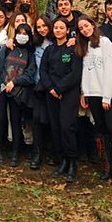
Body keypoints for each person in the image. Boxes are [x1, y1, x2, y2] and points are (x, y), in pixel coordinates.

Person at [76, 15, 112, 188]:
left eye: (86, 26)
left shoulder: (105, 43)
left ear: (92, 25)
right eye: (81, 28)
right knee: (99, 130)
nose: (84, 30)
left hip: (108, 94)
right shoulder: (84, 46)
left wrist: (107, 96)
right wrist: (84, 92)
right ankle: (107, 167)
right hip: (92, 93)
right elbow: (85, 71)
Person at [38, 17, 82, 182]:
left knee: (67, 127)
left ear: (66, 30)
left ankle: (72, 162)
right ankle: (62, 160)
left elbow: (75, 73)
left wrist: (60, 88)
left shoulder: (73, 48)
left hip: (68, 93)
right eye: (55, 28)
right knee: (55, 127)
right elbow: (44, 71)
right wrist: (51, 88)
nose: (58, 30)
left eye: (61, 28)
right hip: (52, 94)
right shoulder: (49, 50)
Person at [0, 23, 37, 167]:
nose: (22, 36)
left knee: (16, 121)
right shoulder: (7, 48)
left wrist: (15, 82)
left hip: (18, 92)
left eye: (25, 33)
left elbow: (30, 74)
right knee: (0, 119)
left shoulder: (30, 53)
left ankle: (15, 152)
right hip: (2, 89)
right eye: (19, 32)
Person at [30, 16, 53, 169]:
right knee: (37, 119)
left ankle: (53, 152)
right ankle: (37, 152)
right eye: (38, 27)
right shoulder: (35, 44)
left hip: (52, 87)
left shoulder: (54, 42)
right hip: (37, 86)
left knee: (51, 119)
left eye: (44, 26)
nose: (42, 29)